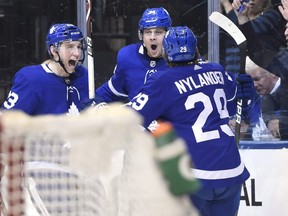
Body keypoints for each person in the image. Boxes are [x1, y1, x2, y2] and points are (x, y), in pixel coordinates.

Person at [128, 26, 253, 216]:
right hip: (232, 171)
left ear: (167, 52)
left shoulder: (163, 80)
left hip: (195, 175)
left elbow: (132, 121)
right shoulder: (217, 70)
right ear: (195, 50)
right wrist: (243, 86)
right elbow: (236, 95)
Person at [1, 23, 101, 115]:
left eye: (79, 47)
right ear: (54, 50)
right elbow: (5, 122)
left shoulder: (84, 76)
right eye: (70, 46)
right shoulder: (31, 80)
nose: (77, 53)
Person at [95, 7, 172, 103]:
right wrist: (93, 102)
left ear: (168, 34)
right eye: (148, 32)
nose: (152, 37)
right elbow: (110, 91)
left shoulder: (181, 59)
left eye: (158, 32)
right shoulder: (128, 57)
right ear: (141, 35)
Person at [245, 56, 288, 139]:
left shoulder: (284, 92)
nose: (254, 84)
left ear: (273, 75)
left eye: (257, 79)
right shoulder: (254, 97)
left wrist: (282, 123)